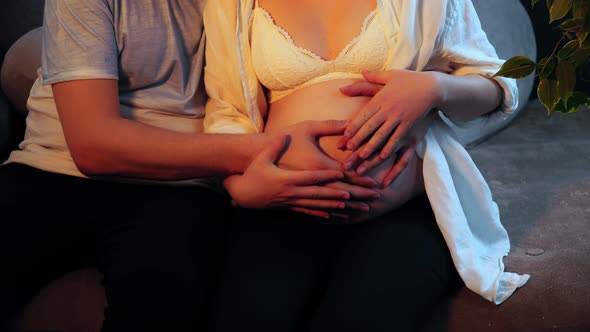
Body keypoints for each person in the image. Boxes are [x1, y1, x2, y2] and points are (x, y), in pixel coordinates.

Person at [0, 1, 379, 331]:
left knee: (162, 296)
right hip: (51, 168)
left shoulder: (243, 7)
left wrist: (435, 88)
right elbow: (93, 147)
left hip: (179, 189)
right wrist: (264, 151)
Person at [202, 0, 529, 331]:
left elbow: (496, 85)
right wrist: (239, 189)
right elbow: (228, 113)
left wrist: (435, 89)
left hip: (404, 212)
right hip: (281, 206)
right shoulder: (231, 5)